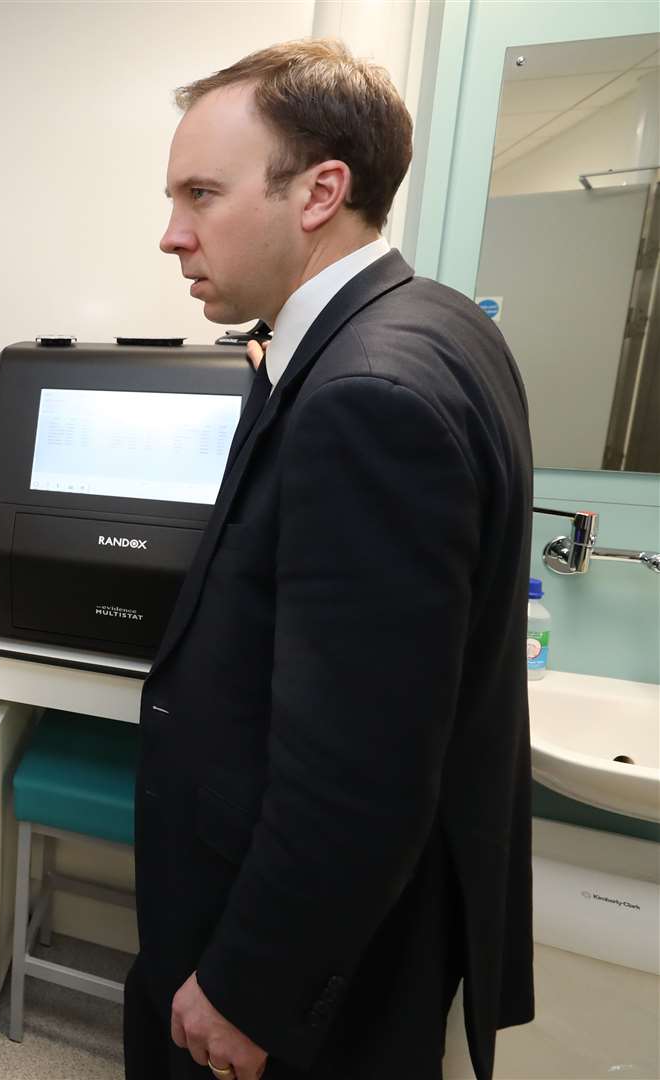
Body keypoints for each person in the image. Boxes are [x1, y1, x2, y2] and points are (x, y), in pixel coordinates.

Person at [130, 39, 535, 1080]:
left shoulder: (366, 395)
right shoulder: (432, 320)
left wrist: (249, 984)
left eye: (201, 195)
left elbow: (360, 767)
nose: (172, 236)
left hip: (295, 957)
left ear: (320, 191)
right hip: (358, 927)